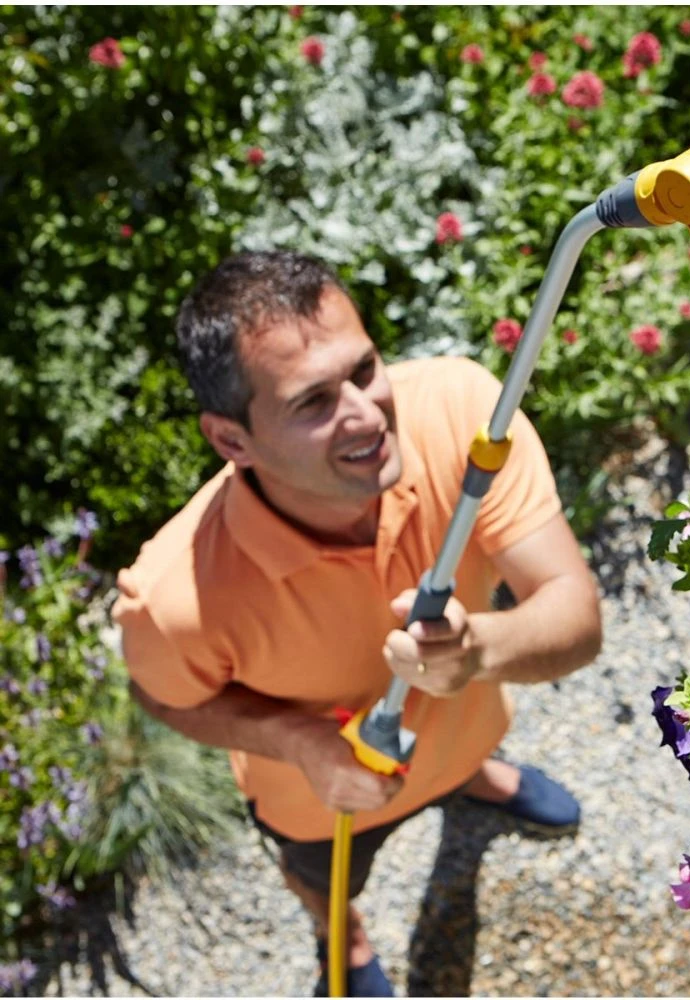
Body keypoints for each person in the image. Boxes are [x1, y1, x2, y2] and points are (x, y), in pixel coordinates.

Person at [113, 251, 602, 997]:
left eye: (365, 369)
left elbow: (576, 615)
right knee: (323, 880)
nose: (369, 414)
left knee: (463, 754)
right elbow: (161, 696)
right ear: (232, 440)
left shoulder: (463, 413)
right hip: (324, 800)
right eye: (313, 402)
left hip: (465, 723)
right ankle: (341, 936)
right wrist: (299, 742)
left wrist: (477, 650)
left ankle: (473, 776)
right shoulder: (173, 596)